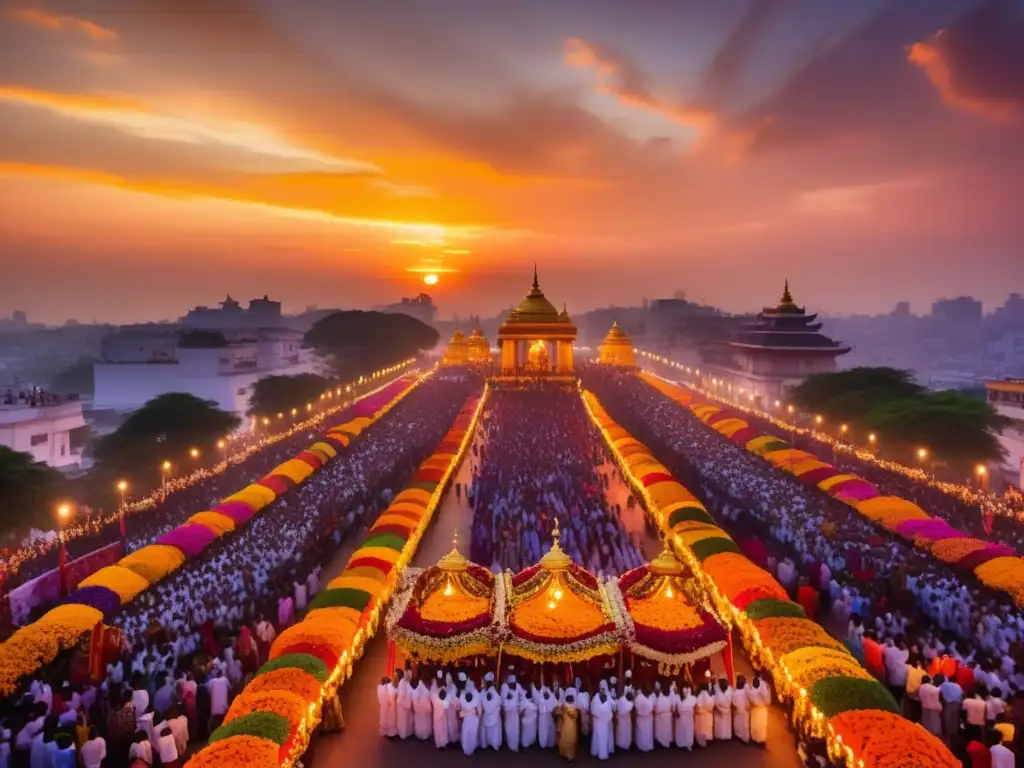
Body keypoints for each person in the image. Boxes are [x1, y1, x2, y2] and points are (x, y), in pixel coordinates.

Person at [590, 690, 614, 760]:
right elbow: (610, 716)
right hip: (605, 726)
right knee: (604, 740)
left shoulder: (596, 707)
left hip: (597, 725)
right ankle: (603, 753)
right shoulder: (607, 707)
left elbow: (593, 713)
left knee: (596, 738)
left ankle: (596, 751)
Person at [749, 673, 771, 746]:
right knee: (757, 725)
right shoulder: (762, 684)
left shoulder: (759, 684)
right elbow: (766, 698)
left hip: (758, 708)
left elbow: (751, 695)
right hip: (758, 708)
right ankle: (757, 740)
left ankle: (758, 740)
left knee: (758, 725)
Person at [557, 694, 580, 762]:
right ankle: (570, 756)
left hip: (565, 724)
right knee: (571, 738)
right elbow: (575, 716)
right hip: (572, 725)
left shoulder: (563, 706)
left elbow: (559, 713)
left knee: (564, 738)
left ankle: (564, 753)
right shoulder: (572, 708)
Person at [480, 684, 502, 751]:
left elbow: (483, 704)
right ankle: (494, 745)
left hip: (487, 716)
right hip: (494, 716)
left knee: (486, 731)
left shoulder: (484, 694)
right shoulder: (496, 695)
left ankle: (486, 744)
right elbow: (499, 702)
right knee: (495, 731)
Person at [458, 691, 480, 756]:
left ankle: (468, 748)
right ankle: (470, 748)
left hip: (469, 720)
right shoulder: (473, 704)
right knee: (470, 734)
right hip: (472, 720)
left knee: (467, 734)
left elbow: (461, 715)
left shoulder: (464, 705)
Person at [634, 687, 654, 752]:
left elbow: (652, 706)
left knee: (648, 733)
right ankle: (642, 746)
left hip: (649, 719)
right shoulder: (639, 698)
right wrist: (644, 713)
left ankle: (648, 745)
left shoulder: (651, 697)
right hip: (642, 718)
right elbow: (637, 708)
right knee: (642, 733)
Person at [676, 684, 696, 750]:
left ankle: (689, 744)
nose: (685, 691)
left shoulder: (692, 698)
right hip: (681, 718)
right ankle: (681, 743)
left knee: (688, 731)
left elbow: (695, 708)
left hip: (689, 718)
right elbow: (676, 709)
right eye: (683, 689)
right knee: (681, 731)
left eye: (687, 689)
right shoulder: (678, 698)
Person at [654, 683, 673, 748]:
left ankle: (666, 743)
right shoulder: (660, 698)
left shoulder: (670, 697)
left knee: (667, 731)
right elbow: (657, 709)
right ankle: (660, 743)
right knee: (660, 731)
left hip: (668, 718)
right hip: (660, 718)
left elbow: (672, 707)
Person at [695, 683, 715, 747]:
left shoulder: (711, 695)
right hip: (703, 714)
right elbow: (698, 706)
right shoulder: (702, 694)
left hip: (708, 714)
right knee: (702, 728)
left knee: (707, 727)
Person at [733, 675, 751, 744]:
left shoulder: (746, 689)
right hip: (738, 710)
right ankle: (739, 736)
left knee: (745, 724)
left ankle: (745, 739)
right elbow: (733, 701)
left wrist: (747, 705)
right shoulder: (736, 692)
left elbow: (748, 697)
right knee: (738, 723)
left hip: (744, 710)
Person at [396, 670, 414, 739]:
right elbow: (403, 694)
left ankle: (405, 733)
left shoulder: (404, 682)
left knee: (405, 720)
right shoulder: (403, 682)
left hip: (405, 704)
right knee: (404, 719)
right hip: (404, 704)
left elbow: (407, 692)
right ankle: (405, 733)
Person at [502, 688, 520, 752]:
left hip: (514, 715)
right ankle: (510, 746)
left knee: (515, 731)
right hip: (509, 715)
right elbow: (505, 706)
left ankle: (515, 746)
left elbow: (518, 706)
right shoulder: (507, 696)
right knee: (509, 730)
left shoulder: (517, 693)